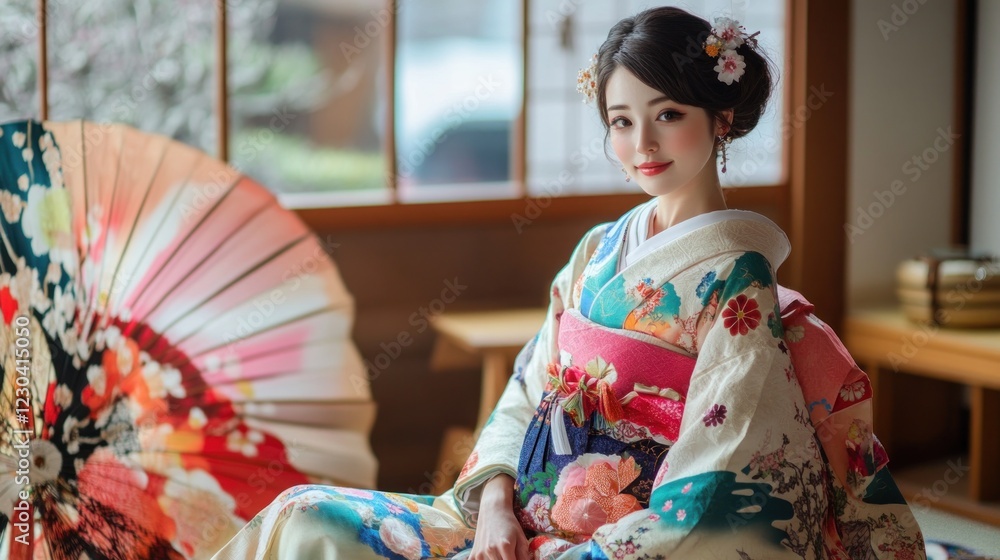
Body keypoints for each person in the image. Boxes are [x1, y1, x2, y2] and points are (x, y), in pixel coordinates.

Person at [212, 7, 926, 560]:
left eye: (667, 116)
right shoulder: (597, 251)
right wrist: (493, 507)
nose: (641, 145)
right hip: (510, 521)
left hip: (613, 541)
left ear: (722, 118)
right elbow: (527, 391)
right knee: (309, 515)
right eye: (621, 121)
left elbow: (721, 479)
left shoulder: (737, 285)